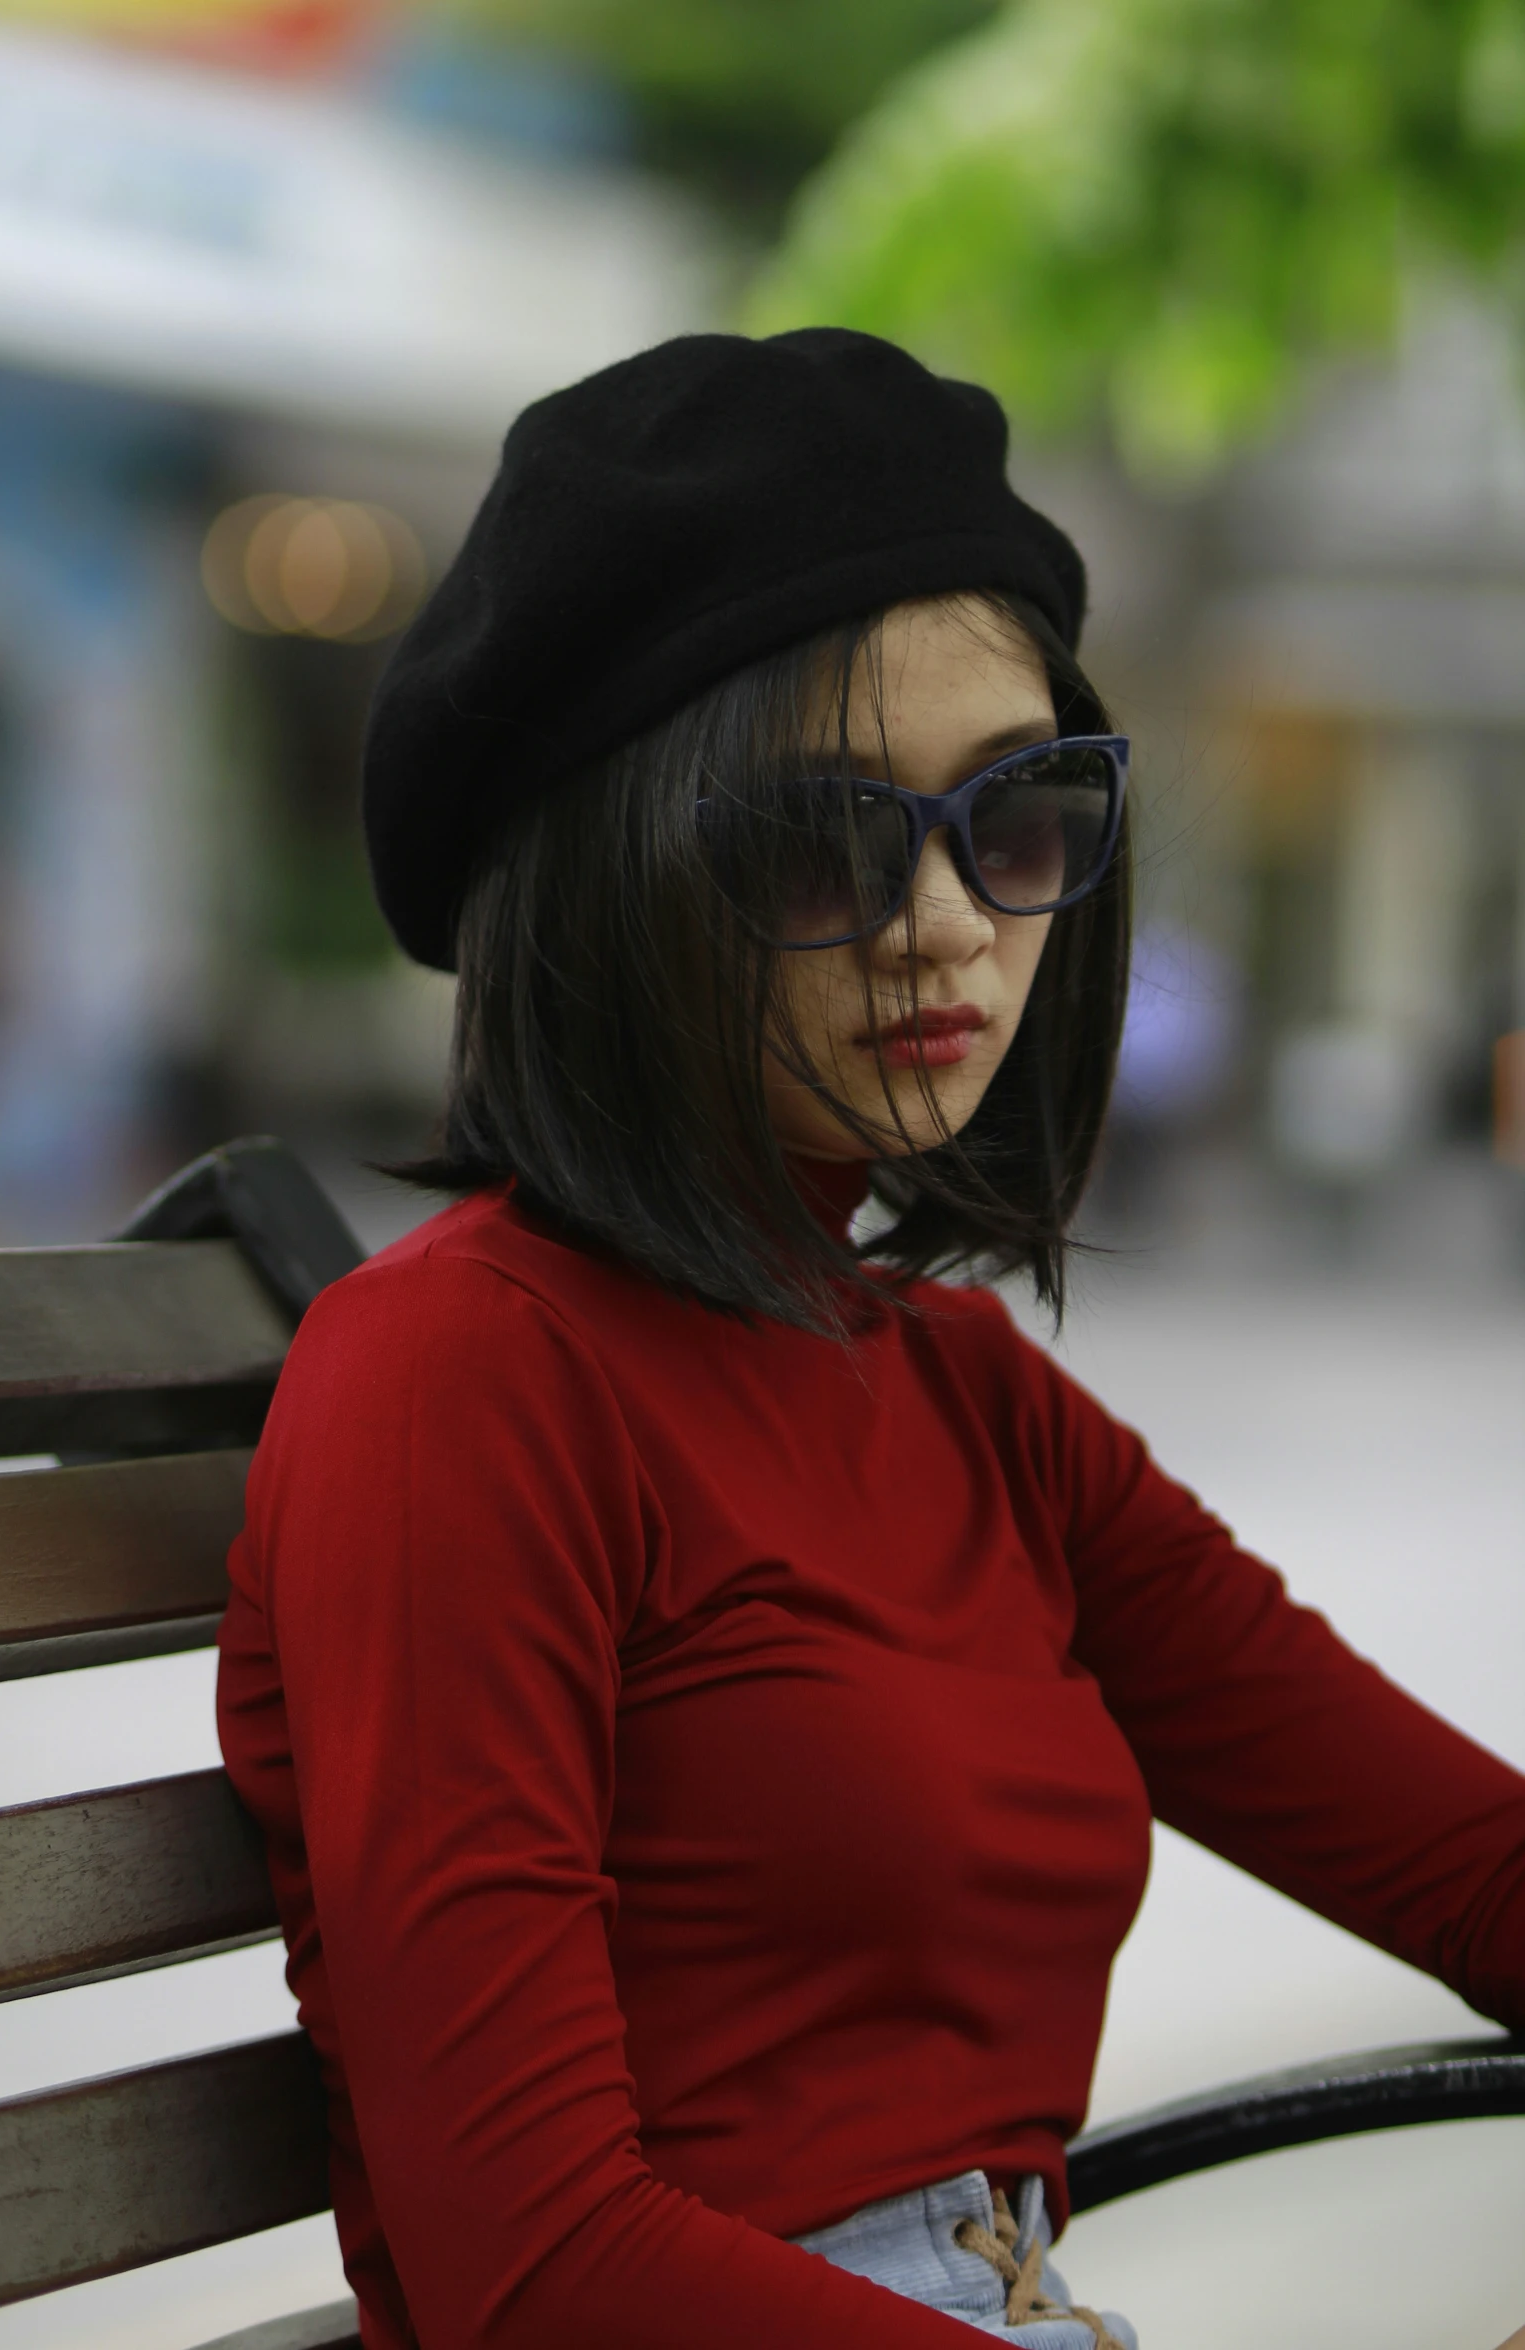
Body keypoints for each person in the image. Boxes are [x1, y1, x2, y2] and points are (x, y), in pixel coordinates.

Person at [216, 330, 1525, 2350]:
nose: (944, 921)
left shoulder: (961, 1393)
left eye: (1016, 815)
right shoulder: (458, 1378)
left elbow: (1464, 1859)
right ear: (614, 872)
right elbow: (534, 2261)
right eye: (823, 838)